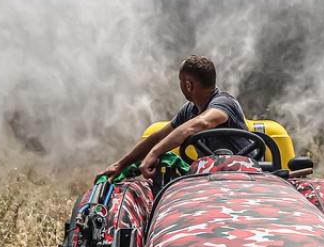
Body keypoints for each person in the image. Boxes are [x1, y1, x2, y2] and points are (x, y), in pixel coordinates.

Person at [105, 55, 248, 180]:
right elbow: (159, 136)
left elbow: (201, 123)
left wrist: (155, 153)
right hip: (209, 182)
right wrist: (120, 165)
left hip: (246, 177)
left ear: (188, 85)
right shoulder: (189, 110)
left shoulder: (224, 102)